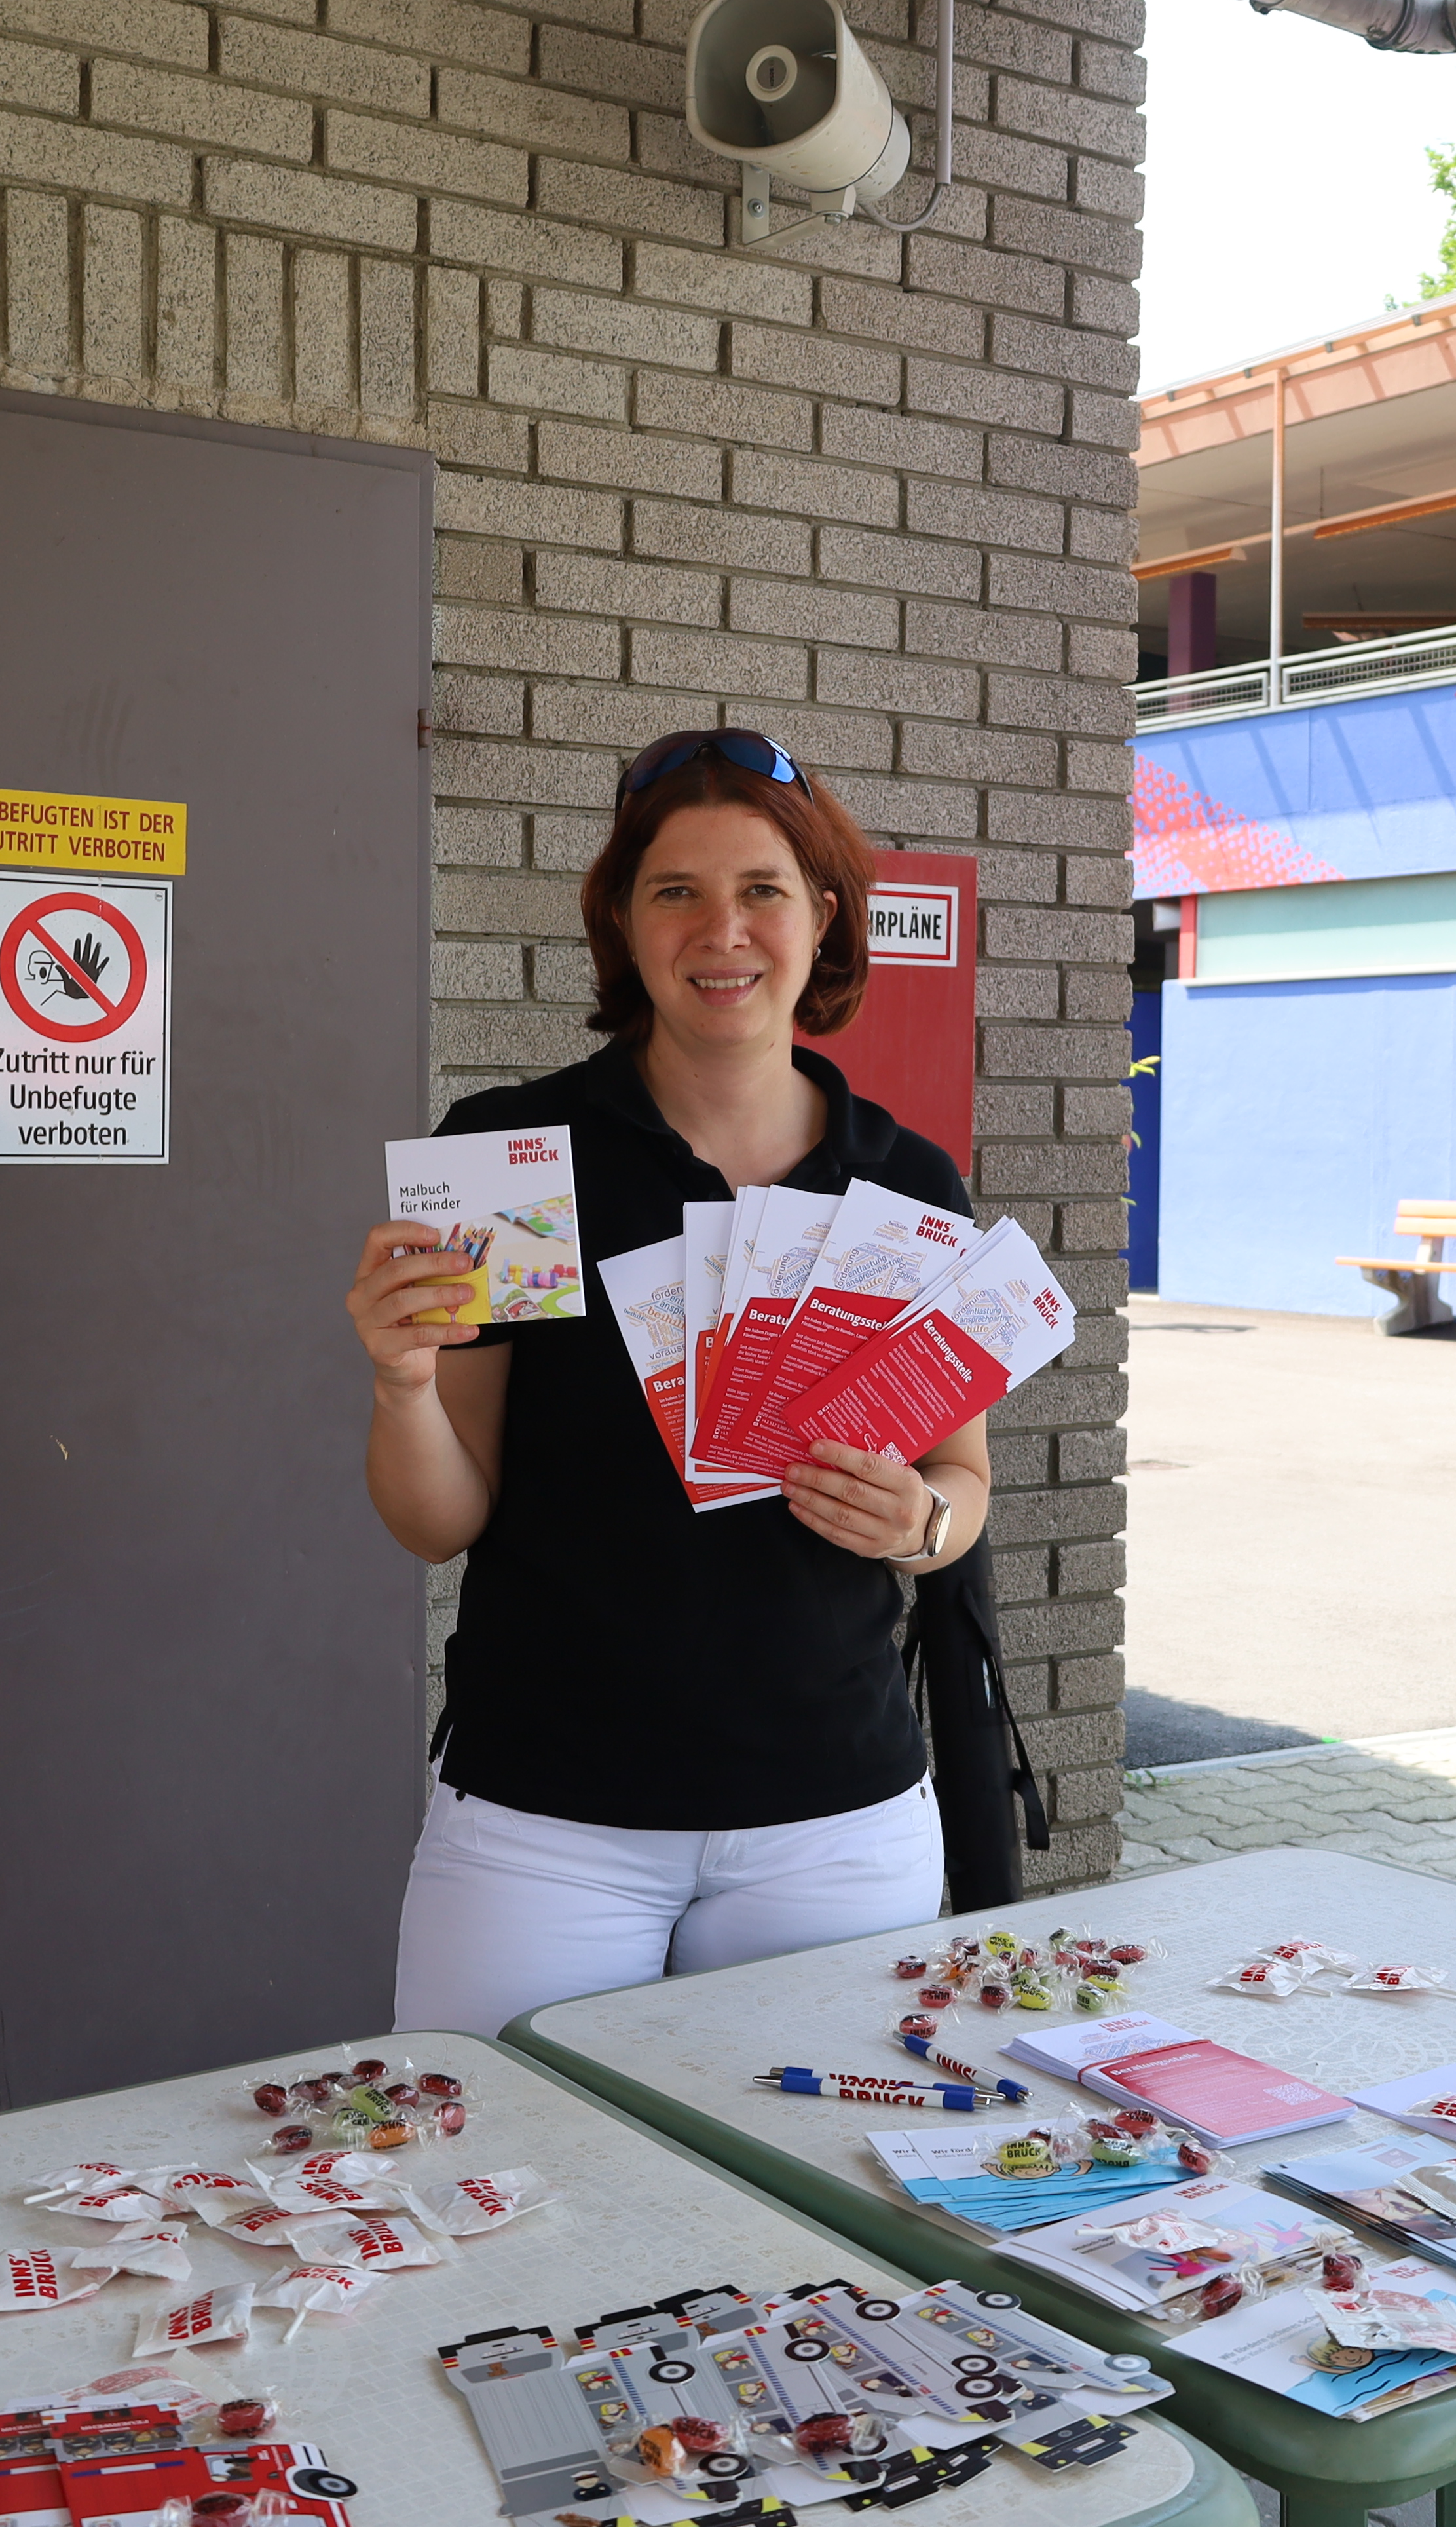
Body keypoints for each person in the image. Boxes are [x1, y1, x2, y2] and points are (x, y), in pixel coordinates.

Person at [349, 729, 988, 2037]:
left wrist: (919, 1524)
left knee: (801, 2159)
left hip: (836, 1820)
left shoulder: (905, 1181)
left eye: (761, 889)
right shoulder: (508, 1155)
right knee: (509, 2151)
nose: (722, 930)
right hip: (545, 1820)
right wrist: (402, 1384)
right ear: (624, 925)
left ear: (822, 917)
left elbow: (959, 1484)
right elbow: (438, 1521)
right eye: (676, 891)